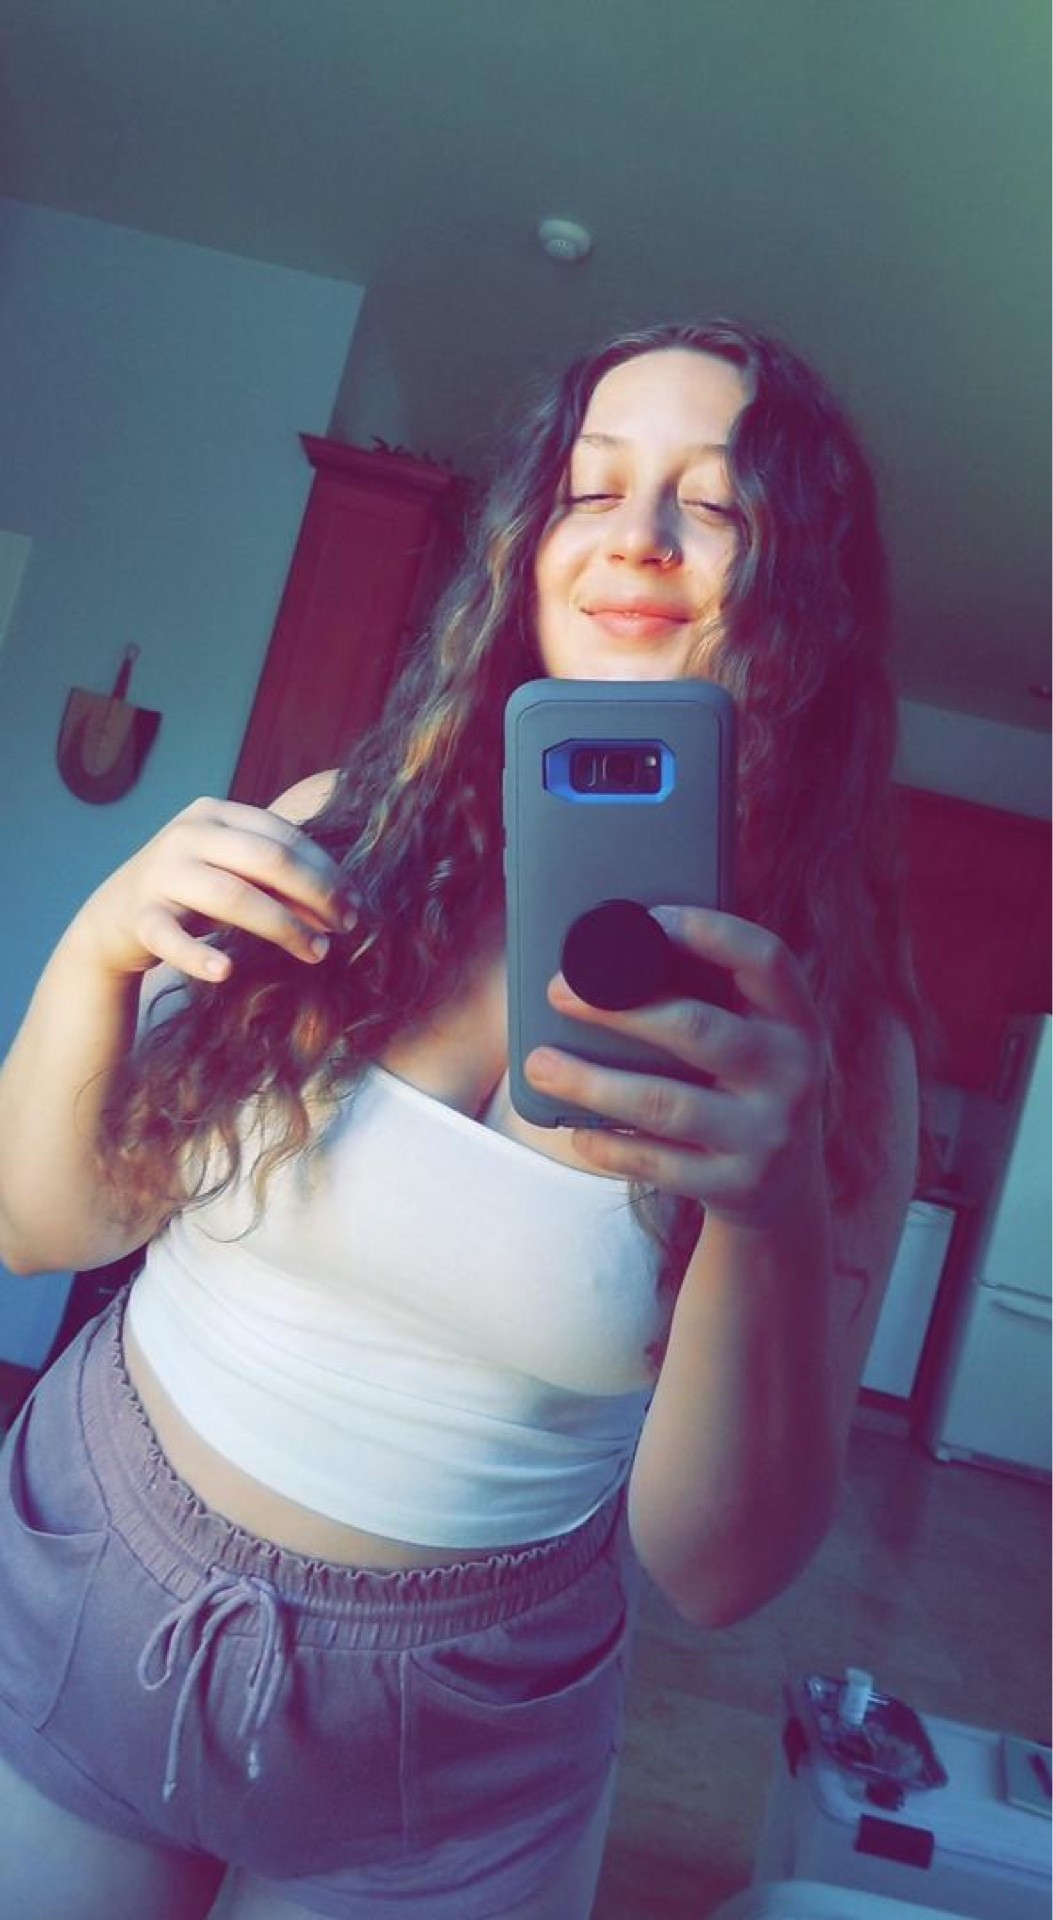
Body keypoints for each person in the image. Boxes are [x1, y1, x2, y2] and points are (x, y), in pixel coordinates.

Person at [0, 318, 920, 1920]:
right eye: (589, 488)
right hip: (89, 1585)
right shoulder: (337, 833)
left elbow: (716, 1570)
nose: (636, 536)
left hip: (454, 1747)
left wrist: (766, 1213)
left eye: (716, 503)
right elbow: (39, 1229)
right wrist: (97, 947)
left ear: (807, 592)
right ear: (527, 549)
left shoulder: (831, 1049)